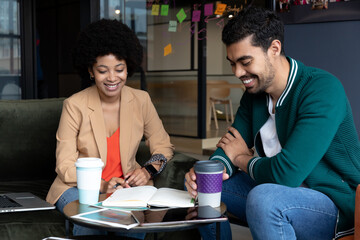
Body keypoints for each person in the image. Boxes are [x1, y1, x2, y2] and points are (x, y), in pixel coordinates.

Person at [185, 7, 360, 240]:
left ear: (274, 49)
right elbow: (229, 145)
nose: (238, 72)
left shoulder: (322, 90)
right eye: (232, 63)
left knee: (266, 199)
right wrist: (207, 174)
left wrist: (241, 159)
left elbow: (286, 174)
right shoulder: (254, 94)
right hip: (280, 193)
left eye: (245, 61)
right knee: (206, 189)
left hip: (333, 204)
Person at [46, 19, 174, 237]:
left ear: (128, 68)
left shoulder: (141, 100)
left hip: (125, 189)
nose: (112, 78)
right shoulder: (74, 105)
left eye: (119, 69)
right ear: (91, 71)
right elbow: (64, 166)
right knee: (89, 221)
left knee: (133, 223)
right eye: (103, 70)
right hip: (76, 188)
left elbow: (163, 145)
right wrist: (103, 186)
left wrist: (147, 171)